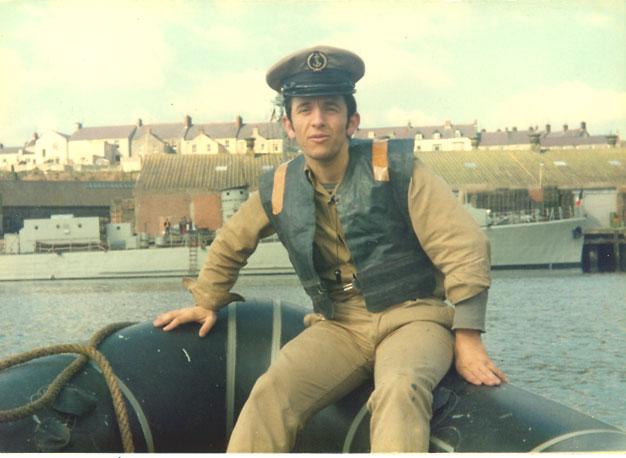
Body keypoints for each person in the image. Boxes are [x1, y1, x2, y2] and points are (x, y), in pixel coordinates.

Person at [153, 45, 506, 452]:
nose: (317, 120)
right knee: (271, 391)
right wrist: (207, 300)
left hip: (412, 318)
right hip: (339, 325)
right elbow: (231, 242)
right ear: (289, 125)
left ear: (352, 121)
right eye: (305, 109)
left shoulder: (395, 167)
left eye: (331, 108)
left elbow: (464, 245)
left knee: (399, 388)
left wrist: (468, 336)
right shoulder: (280, 186)